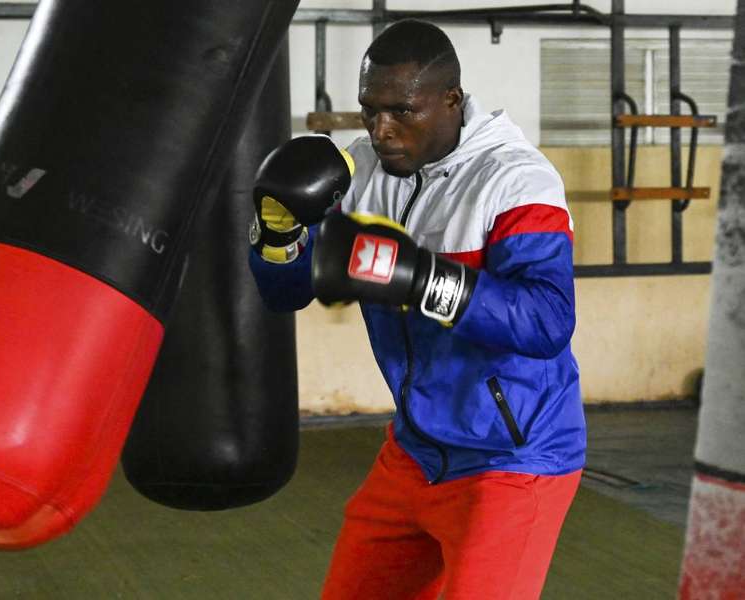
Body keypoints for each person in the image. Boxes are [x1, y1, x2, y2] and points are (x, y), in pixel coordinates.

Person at [248, 19, 585, 600]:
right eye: (369, 111)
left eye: (402, 111)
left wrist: (421, 278)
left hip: (512, 459)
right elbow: (285, 294)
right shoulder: (362, 171)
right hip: (413, 452)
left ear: (450, 100)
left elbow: (546, 320)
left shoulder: (516, 181)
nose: (381, 130)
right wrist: (277, 238)